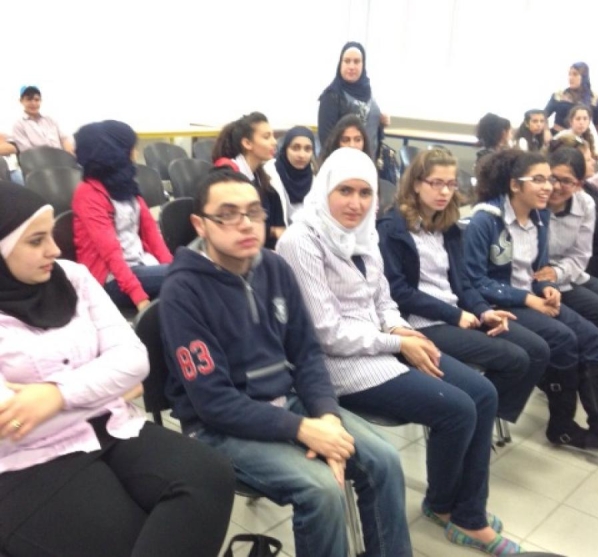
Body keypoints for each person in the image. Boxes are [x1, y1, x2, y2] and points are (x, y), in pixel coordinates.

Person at [277, 148, 522, 555]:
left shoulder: (364, 233)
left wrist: (402, 330)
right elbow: (326, 334)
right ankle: (458, 513)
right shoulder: (301, 241)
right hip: (338, 366)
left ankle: (456, 507)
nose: (356, 203)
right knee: (458, 409)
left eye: (365, 193)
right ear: (324, 190)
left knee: (483, 394)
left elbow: (384, 301)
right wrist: (398, 343)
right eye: (344, 191)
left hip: (381, 346)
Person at [159, 166, 412, 557]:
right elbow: (213, 403)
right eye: (227, 215)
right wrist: (303, 430)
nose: (246, 224)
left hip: (286, 401)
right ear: (200, 224)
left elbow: (307, 353)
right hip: (217, 427)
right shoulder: (183, 291)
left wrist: (327, 416)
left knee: (385, 460)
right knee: (321, 490)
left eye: (253, 212)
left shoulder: (275, 267)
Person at [0, 181, 235, 557]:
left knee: (210, 477)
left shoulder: (72, 277)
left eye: (51, 236)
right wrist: (105, 385)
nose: (54, 249)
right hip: (29, 461)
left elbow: (134, 360)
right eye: (35, 241)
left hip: (110, 427)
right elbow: (9, 419)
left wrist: (56, 396)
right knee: (130, 538)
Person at [377, 148, 547, 424]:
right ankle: (477, 418)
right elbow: (399, 292)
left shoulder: (448, 226)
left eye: (451, 184)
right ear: (417, 184)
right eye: (436, 183)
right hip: (423, 322)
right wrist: (455, 315)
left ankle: (481, 419)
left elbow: (463, 282)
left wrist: (483, 310)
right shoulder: (392, 228)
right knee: (514, 358)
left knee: (536, 350)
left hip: (457, 314)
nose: (445, 192)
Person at [463, 149, 598, 450]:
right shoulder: (486, 220)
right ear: (515, 185)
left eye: (549, 179)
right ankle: (560, 424)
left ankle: (584, 424)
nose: (548, 187)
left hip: (529, 296)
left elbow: (538, 269)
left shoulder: (540, 218)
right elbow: (475, 281)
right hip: (500, 302)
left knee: (591, 336)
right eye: (538, 180)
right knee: (563, 339)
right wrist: (527, 298)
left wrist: (547, 287)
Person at [71, 120, 173, 311]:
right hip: (111, 279)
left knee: (188, 275)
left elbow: (152, 234)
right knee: (189, 277)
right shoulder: (88, 193)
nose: (135, 153)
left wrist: (172, 266)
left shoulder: (126, 187)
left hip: (141, 265)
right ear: (114, 152)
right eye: (131, 148)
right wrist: (139, 297)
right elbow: (110, 252)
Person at [532, 147, 598, 329]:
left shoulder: (585, 204)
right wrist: (550, 276)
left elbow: (581, 254)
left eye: (566, 181)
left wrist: (558, 272)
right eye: (553, 178)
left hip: (569, 273)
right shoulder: (532, 201)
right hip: (539, 280)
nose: (556, 187)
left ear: (579, 185)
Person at [211, 112, 284, 248]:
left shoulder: (260, 176)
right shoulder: (226, 174)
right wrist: (272, 231)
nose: (274, 142)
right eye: (266, 137)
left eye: (273, 136)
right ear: (247, 143)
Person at [318, 41, 389, 159]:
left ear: (363, 64)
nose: (351, 67)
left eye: (356, 61)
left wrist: (381, 122)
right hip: (342, 163)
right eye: (347, 61)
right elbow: (326, 140)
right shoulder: (332, 95)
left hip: (368, 162)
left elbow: (369, 127)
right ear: (340, 64)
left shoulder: (367, 91)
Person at [264, 126, 315, 224]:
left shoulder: (316, 177)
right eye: (295, 148)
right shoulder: (269, 175)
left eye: (307, 149)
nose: (301, 155)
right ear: (285, 149)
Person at [12, 86, 74, 154]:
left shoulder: (50, 120)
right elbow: (27, 151)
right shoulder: (19, 125)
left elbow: (64, 138)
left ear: (41, 101)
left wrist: (69, 151)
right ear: (21, 101)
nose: (33, 103)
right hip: (39, 159)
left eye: (37, 100)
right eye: (29, 99)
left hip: (60, 157)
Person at [544, 62, 598, 136]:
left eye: (575, 74)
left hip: (580, 139)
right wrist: (546, 131)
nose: (571, 78)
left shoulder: (594, 99)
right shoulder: (559, 95)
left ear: (584, 77)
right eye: (569, 74)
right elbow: (543, 116)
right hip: (558, 137)